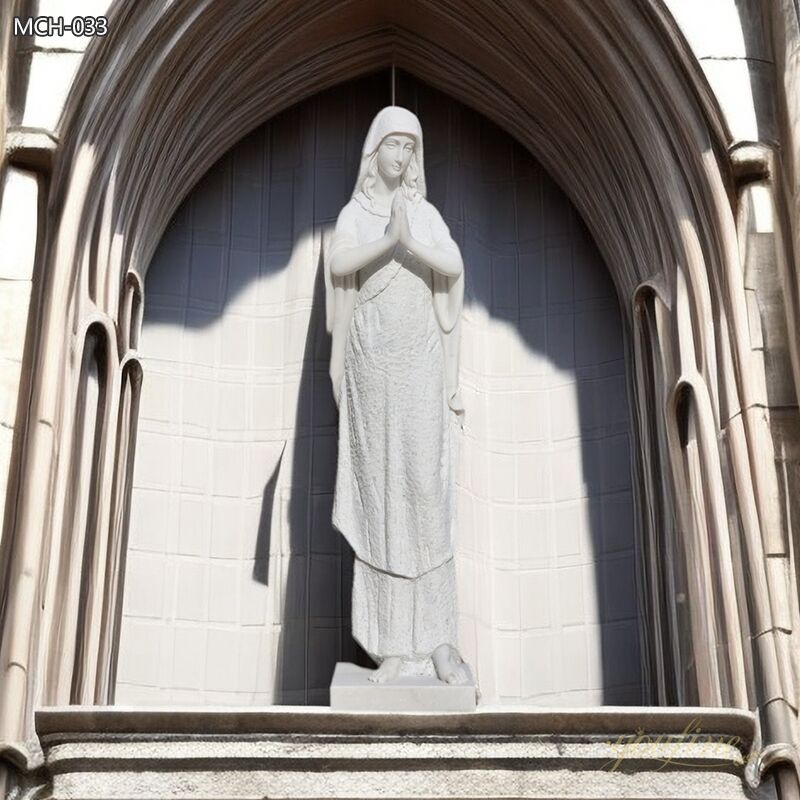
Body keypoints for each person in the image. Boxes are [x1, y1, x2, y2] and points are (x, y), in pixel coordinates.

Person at [324, 106, 470, 685]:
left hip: (418, 369)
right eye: (393, 146)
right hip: (373, 372)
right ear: (374, 150)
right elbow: (338, 263)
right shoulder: (356, 215)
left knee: (424, 493)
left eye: (411, 147)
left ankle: (437, 640)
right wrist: (388, 241)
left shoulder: (424, 213)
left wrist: (407, 237)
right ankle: (392, 645)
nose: (402, 157)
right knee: (382, 500)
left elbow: (453, 263)